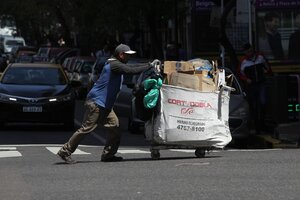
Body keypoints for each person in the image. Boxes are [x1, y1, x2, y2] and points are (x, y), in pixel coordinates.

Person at [57, 44, 157, 163]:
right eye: (127, 55)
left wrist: (148, 65)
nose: (129, 58)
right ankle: (65, 151)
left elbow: (132, 67)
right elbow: (131, 70)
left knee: (114, 126)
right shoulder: (114, 65)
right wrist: (149, 66)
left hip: (105, 105)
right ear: (121, 55)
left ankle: (108, 155)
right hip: (97, 103)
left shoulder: (116, 64)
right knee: (86, 128)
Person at [238, 43, 272, 135]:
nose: (249, 53)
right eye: (247, 52)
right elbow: (240, 74)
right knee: (254, 105)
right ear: (245, 53)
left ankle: (262, 123)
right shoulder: (243, 61)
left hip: (261, 83)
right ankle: (257, 126)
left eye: (250, 50)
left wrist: (267, 72)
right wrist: (246, 79)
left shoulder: (260, 57)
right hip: (252, 85)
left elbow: (267, 67)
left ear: (252, 49)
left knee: (263, 103)